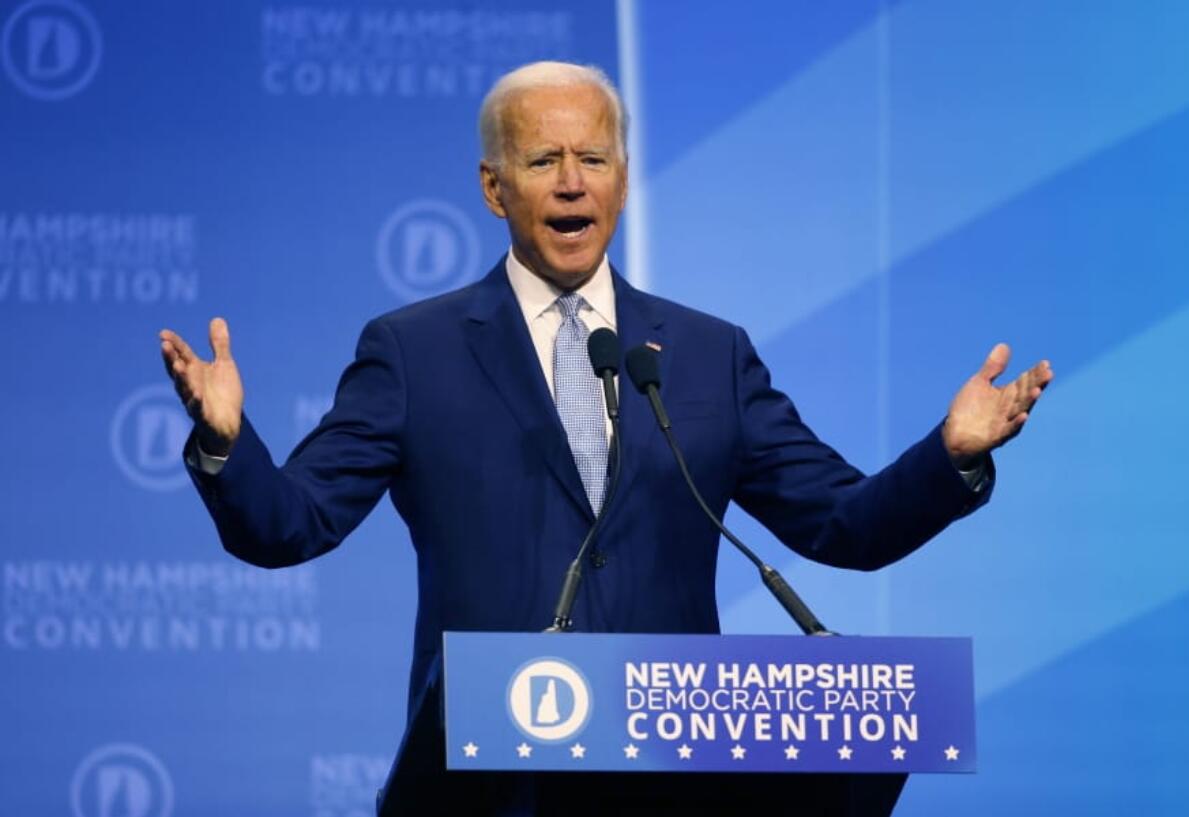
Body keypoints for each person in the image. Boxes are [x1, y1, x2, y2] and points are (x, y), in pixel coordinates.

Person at [158, 61, 1052, 816]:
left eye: (593, 156)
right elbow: (290, 522)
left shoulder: (706, 353)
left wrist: (953, 456)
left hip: (679, 786)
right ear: (493, 186)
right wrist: (228, 444)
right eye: (543, 159)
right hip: (492, 786)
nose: (572, 180)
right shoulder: (413, 351)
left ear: (622, 177)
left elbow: (842, 523)